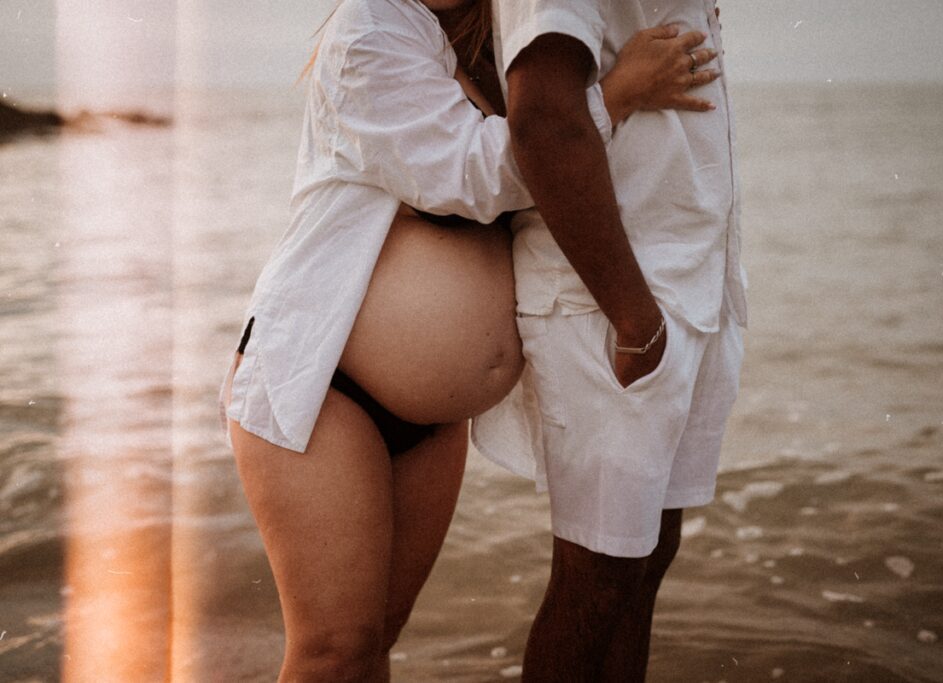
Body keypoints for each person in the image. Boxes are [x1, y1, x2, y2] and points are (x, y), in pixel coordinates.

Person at [220, 0, 722, 680]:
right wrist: (613, 97)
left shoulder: (494, 30)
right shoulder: (369, 28)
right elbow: (473, 174)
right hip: (325, 388)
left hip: (428, 418)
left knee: (376, 641)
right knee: (333, 651)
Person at [472, 1, 747, 680]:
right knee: (597, 580)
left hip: (684, 285)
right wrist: (634, 317)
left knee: (638, 565)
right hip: (616, 296)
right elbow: (542, 119)